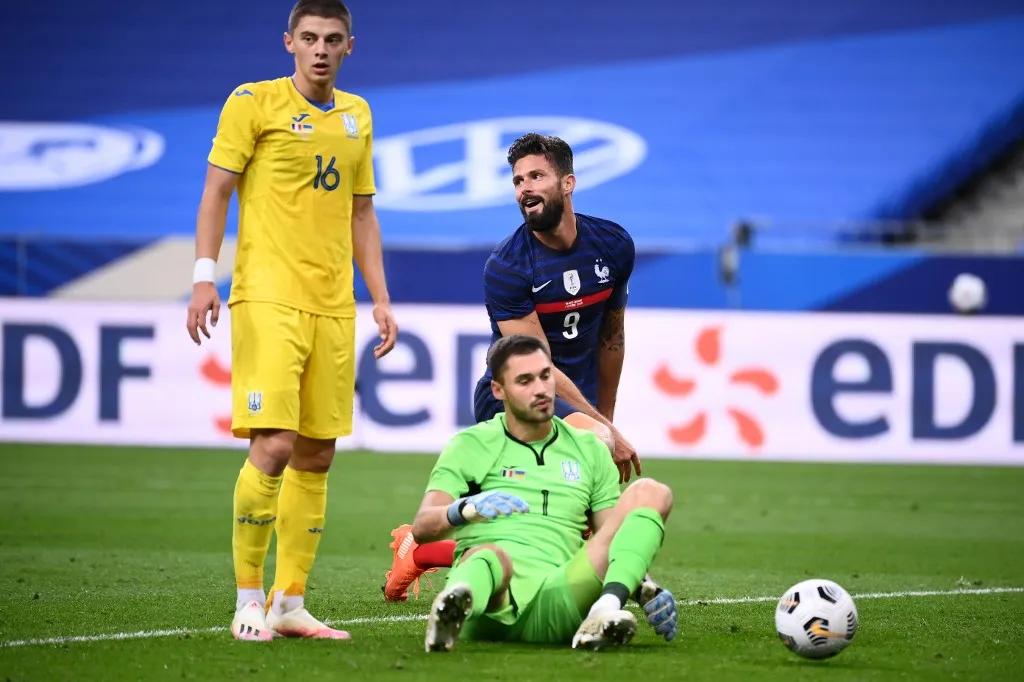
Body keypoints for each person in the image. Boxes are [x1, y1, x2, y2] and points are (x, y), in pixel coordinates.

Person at [185, 0, 398, 642]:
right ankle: (248, 599)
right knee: (274, 444)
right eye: (309, 38)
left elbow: (362, 213)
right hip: (267, 295)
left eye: (332, 39)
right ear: (289, 43)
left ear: (349, 46)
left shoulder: (358, 115)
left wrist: (381, 297)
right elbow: (217, 190)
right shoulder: (253, 102)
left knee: (317, 452)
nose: (321, 49)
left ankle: (289, 601)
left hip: (333, 303)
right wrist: (203, 277)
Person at [383, 133, 642, 601]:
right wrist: (602, 432)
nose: (525, 188)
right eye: (518, 180)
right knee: (561, 518)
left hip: (576, 403)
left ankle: (418, 552)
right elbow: (536, 367)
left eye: (536, 176)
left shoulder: (613, 244)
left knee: (546, 541)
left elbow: (612, 340)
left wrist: (606, 420)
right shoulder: (508, 266)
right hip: (514, 397)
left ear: (568, 183)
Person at [411, 334, 678, 651]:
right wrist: (464, 509)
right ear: (498, 390)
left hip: (561, 597)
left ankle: (604, 610)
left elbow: (613, 536)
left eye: (545, 375)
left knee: (652, 492)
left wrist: (642, 583)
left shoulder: (589, 448)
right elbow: (422, 527)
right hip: (490, 607)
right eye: (524, 381)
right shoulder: (470, 444)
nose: (540, 389)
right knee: (490, 557)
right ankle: (454, 607)